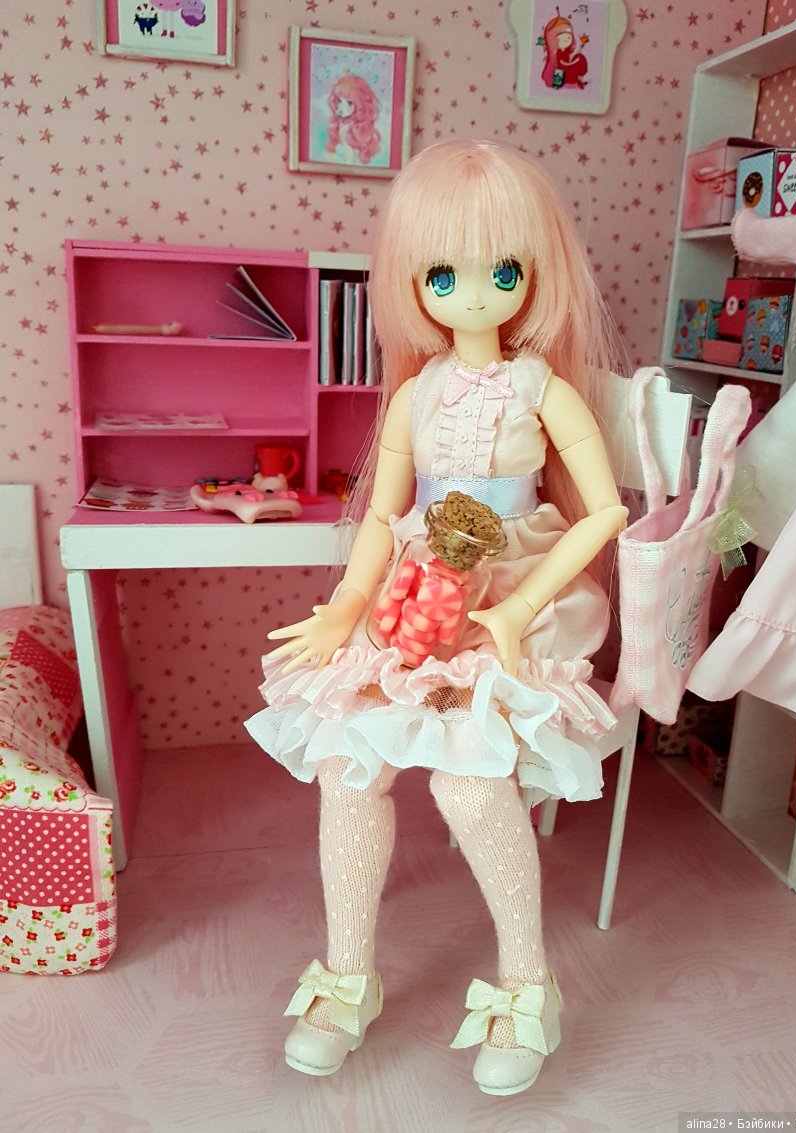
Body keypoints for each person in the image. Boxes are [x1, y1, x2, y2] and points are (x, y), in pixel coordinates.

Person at [245, 139, 628, 1096]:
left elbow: (606, 509)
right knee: (347, 769)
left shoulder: (542, 389)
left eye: (502, 272)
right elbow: (384, 515)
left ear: (533, 277)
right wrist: (346, 604)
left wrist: (522, 607)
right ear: (413, 283)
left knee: (469, 787)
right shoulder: (416, 394)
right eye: (444, 276)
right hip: (416, 591)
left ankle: (528, 985)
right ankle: (349, 974)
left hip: (514, 588)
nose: (474, 296)